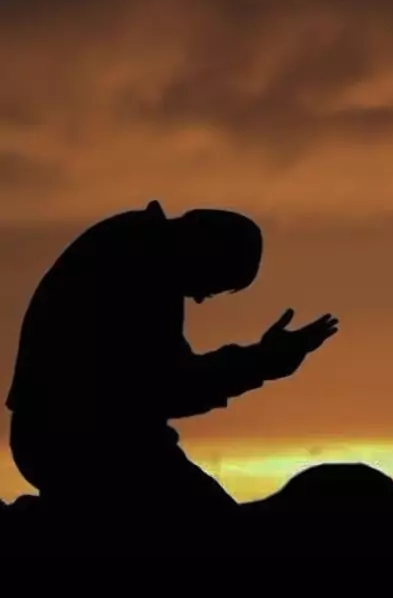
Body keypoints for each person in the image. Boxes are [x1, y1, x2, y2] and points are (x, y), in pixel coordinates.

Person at [4, 199, 338, 555]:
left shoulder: (134, 248)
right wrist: (263, 362)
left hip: (76, 439)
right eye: (214, 284)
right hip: (88, 444)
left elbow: (166, 383)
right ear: (205, 250)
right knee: (220, 536)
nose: (200, 299)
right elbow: (172, 387)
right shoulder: (138, 266)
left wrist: (260, 361)